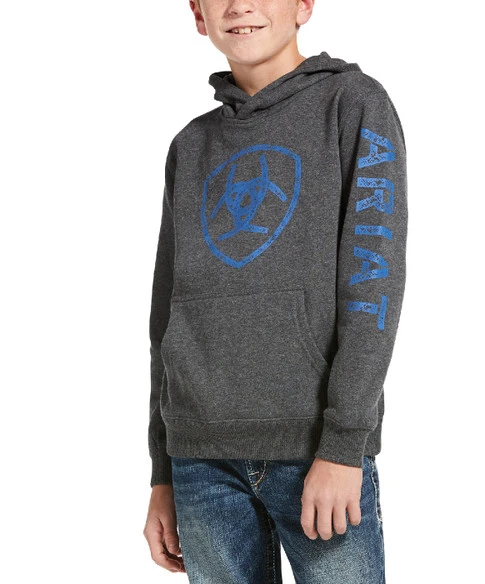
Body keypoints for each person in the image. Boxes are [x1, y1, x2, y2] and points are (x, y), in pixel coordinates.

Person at [143, 0, 407, 581]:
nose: (240, 5)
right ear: (198, 14)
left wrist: (344, 443)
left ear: (303, 4)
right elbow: (167, 315)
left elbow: (373, 286)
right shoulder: (190, 145)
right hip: (199, 459)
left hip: (316, 449)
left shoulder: (353, 104)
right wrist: (163, 469)